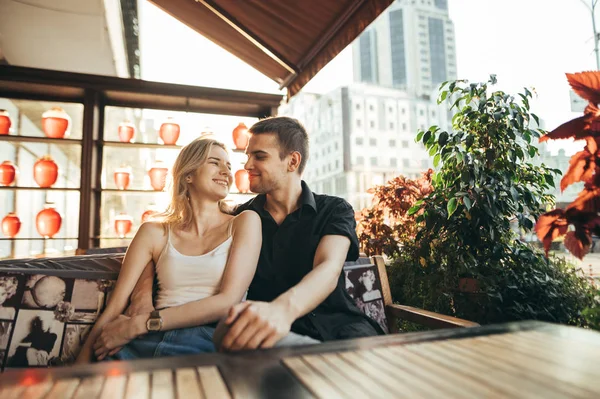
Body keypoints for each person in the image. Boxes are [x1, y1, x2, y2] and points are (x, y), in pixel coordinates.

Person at [128, 116, 384, 351]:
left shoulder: (334, 209)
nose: (247, 165)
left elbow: (328, 270)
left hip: (340, 327)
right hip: (264, 338)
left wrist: (282, 311)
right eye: (247, 156)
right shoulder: (238, 220)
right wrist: (142, 295)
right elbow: (173, 242)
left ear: (292, 161)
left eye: (259, 156)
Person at [75, 138, 261, 363]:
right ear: (188, 174)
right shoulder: (154, 232)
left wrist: (140, 324)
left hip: (209, 339)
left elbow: (229, 301)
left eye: (229, 166)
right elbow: (115, 306)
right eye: (215, 163)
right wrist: (78, 369)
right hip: (145, 339)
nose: (226, 172)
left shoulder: (244, 222)